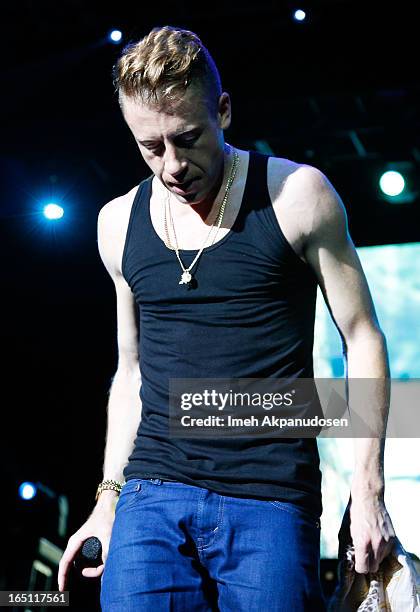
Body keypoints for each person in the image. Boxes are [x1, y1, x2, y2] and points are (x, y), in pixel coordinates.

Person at [58, 25, 396, 610]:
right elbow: (132, 373)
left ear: (224, 110)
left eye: (187, 138)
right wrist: (107, 501)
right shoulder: (117, 222)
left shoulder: (297, 195)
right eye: (150, 146)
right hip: (153, 489)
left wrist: (367, 490)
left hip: (270, 496)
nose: (171, 165)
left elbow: (362, 337)